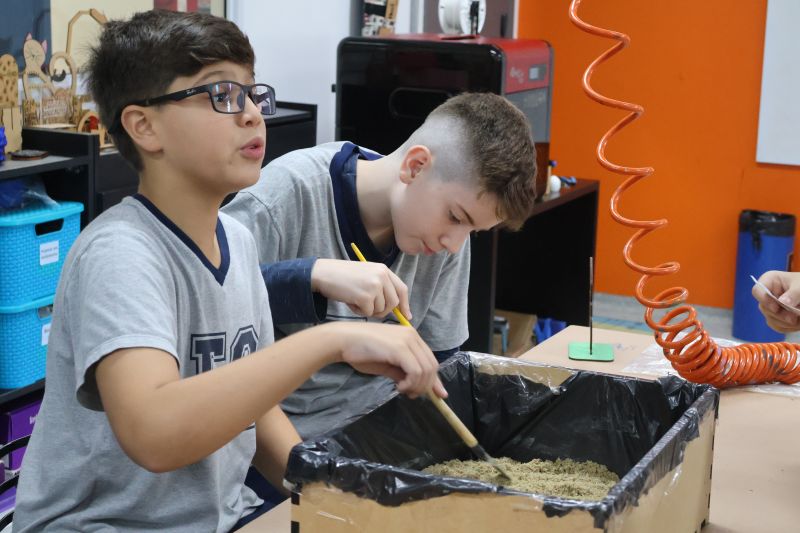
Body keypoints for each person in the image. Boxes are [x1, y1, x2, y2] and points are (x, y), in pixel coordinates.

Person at [12, 10, 444, 532]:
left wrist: (332, 501)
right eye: (222, 94)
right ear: (144, 126)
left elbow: (254, 409)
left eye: (252, 93)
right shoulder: (120, 253)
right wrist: (331, 341)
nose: (252, 115)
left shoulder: (236, 241)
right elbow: (154, 433)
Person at [222, 92, 538, 438]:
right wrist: (312, 276)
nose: (455, 244)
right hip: (275, 436)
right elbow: (208, 306)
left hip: (377, 430)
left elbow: (441, 367)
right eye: (456, 217)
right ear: (415, 166)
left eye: (473, 231)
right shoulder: (284, 197)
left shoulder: (445, 238)